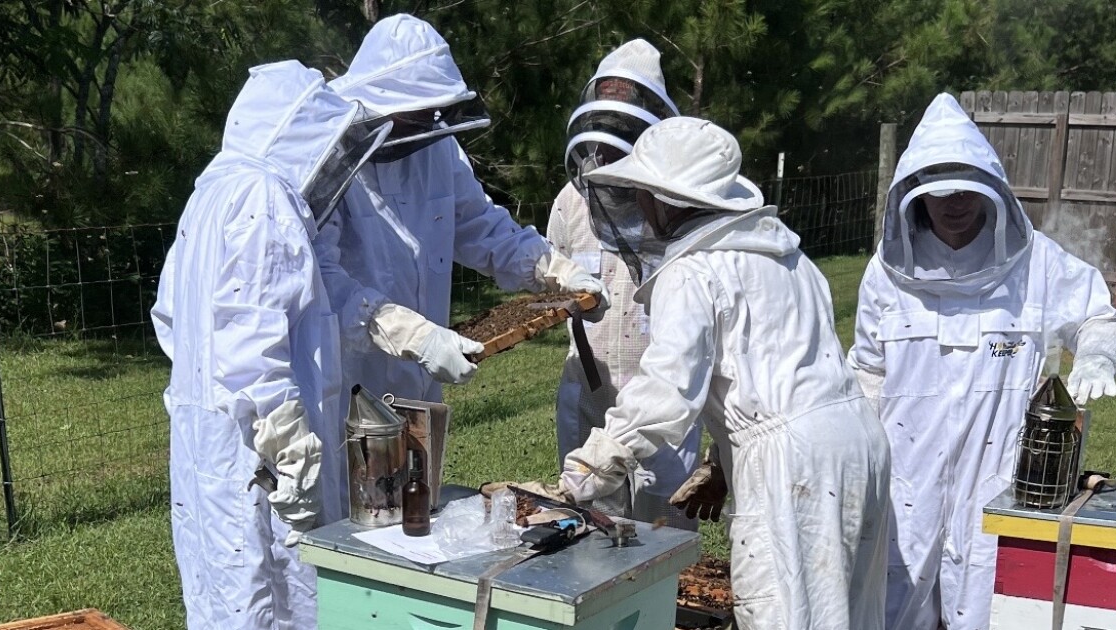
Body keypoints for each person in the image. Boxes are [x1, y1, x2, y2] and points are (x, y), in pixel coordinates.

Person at [559, 117, 891, 629]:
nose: (639, 208)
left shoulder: (692, 271)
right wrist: (720, 463)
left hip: (792, 465)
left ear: (667, 200)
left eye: (644, 193)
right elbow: (780, 375)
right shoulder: (789, 257)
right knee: (846, 610)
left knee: (782, 613)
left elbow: (668, 392)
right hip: (858, 443)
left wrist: (593, 464)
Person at [846, 93, 1116, 630]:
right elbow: (866, 374)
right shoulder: (885, 273)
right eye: (939, 191)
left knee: (988, 604)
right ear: (913, 194)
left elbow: (1100, 317)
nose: (953, 202)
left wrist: (1097, 354)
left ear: (991, 190)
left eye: (965, 189)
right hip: (904, 480)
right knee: (888, 606)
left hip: (1000, 473)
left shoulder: (1039, 264)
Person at [151, 61, 390, 628]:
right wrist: (288, 444)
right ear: (297, 130)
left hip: (209, 444)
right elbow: (252, 342)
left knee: (224, 595)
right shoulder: (263, 194)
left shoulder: (209, 193)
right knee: (281, 592)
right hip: (261, 456)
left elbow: (170, 318)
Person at [314, 13, 606, 464]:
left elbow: (481, 226)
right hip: (345, 384)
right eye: (415, 116)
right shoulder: (328, 159)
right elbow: (322, 281)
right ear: (381, 101)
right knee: (355, 519)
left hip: (420, 385)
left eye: (431, 113)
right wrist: (411, 334)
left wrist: (553, 269)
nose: (426, 126)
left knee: (415, 508)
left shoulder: (437, 147)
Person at [547, 39, 704, 530]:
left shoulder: (679, 200)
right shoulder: (570, 201)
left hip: (662, 399)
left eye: (625, 104)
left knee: (664, 534)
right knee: (590, 528)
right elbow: (552, 270)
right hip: (588, 389)